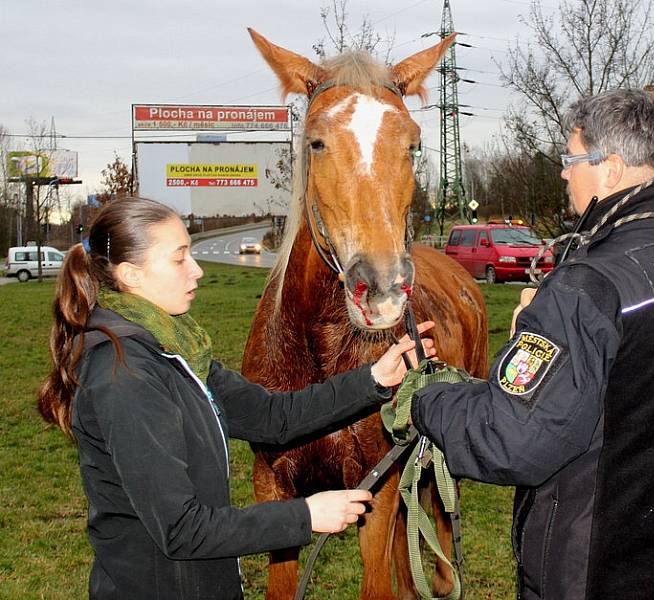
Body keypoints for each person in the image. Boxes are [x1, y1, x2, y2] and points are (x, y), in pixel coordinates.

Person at [410, 89, 654, 599]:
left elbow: (511, 439)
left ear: (608, 169)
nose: (564, 173)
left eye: (570, 160)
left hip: (599, 568)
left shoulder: (585, 287)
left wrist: (426, 400)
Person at [37, 197, 435, 600]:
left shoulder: (176, 350)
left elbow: (273, 416)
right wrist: (306, 514)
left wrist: (375, 378)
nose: (197, 270)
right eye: (179, 259)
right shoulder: (126, 377)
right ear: (131, 275)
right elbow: (181, 529)